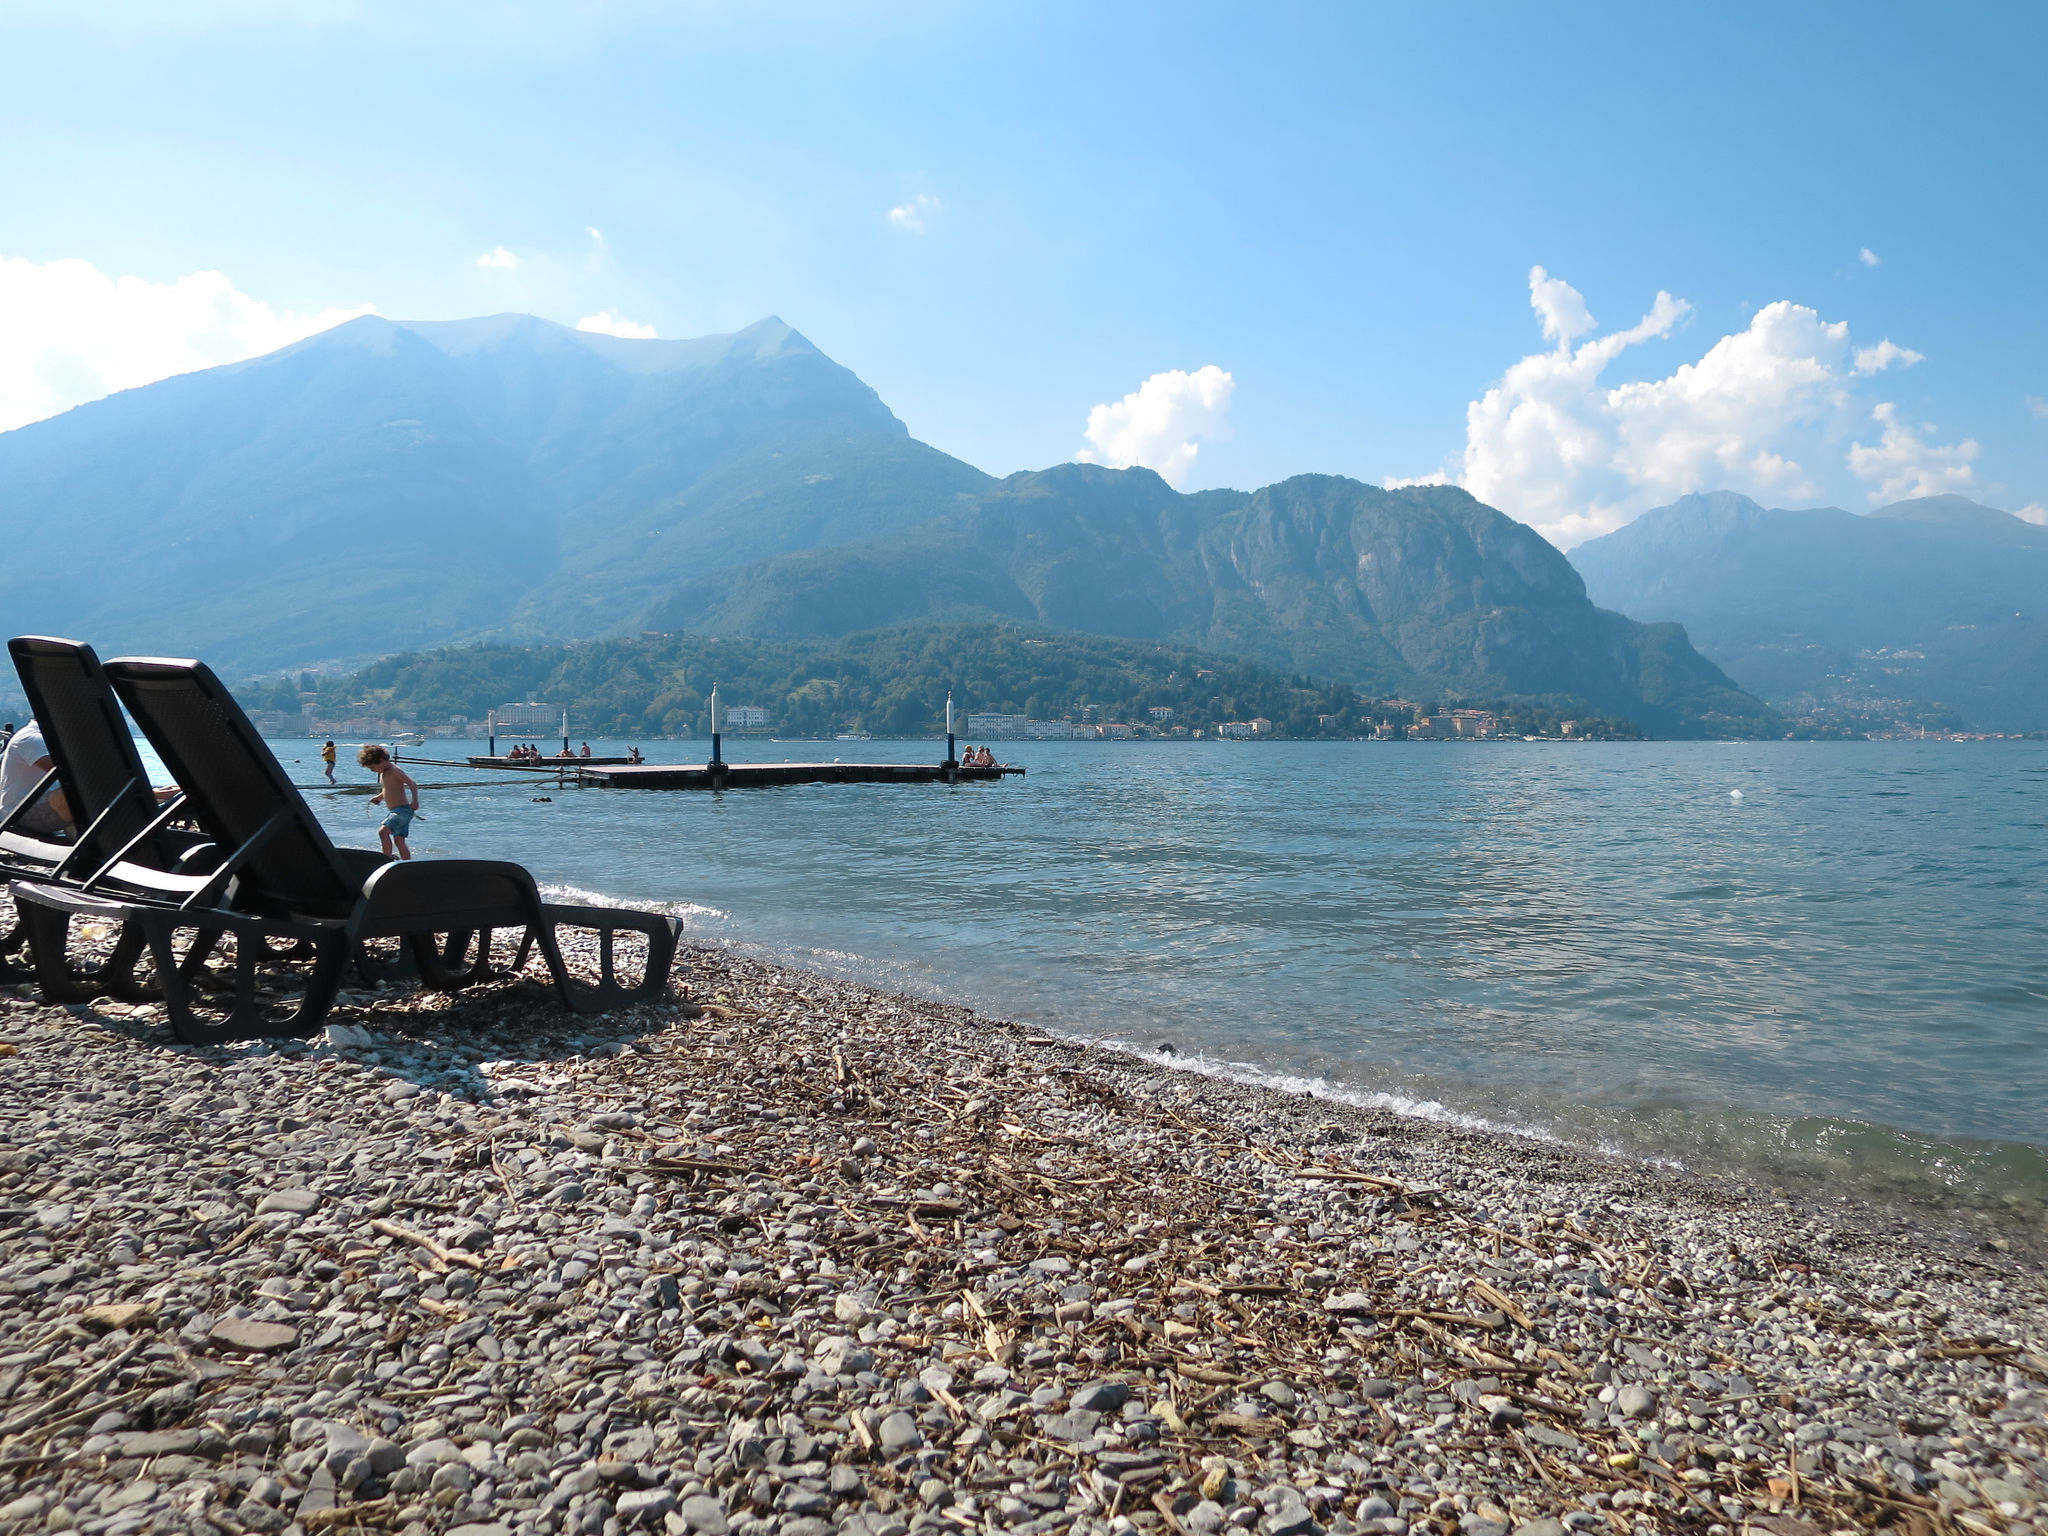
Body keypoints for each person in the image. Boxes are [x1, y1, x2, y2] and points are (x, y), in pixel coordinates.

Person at [0, 719, 70, 835]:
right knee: (79, 794)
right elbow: (70, 773)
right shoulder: (30, 738)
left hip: (37, 804)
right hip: (19, 814)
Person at [358, 743, 420, 861]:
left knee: (382, 832)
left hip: (402, 811)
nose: (372, 771)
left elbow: (412, 784)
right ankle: (407, 863)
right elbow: (388, 789)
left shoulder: (394, 770)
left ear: (381, 760)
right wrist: (380, 797)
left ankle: (386, 859)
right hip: (397, 811)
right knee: (399, 841)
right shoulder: (383, 773)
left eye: (372, 768)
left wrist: (415, 801)